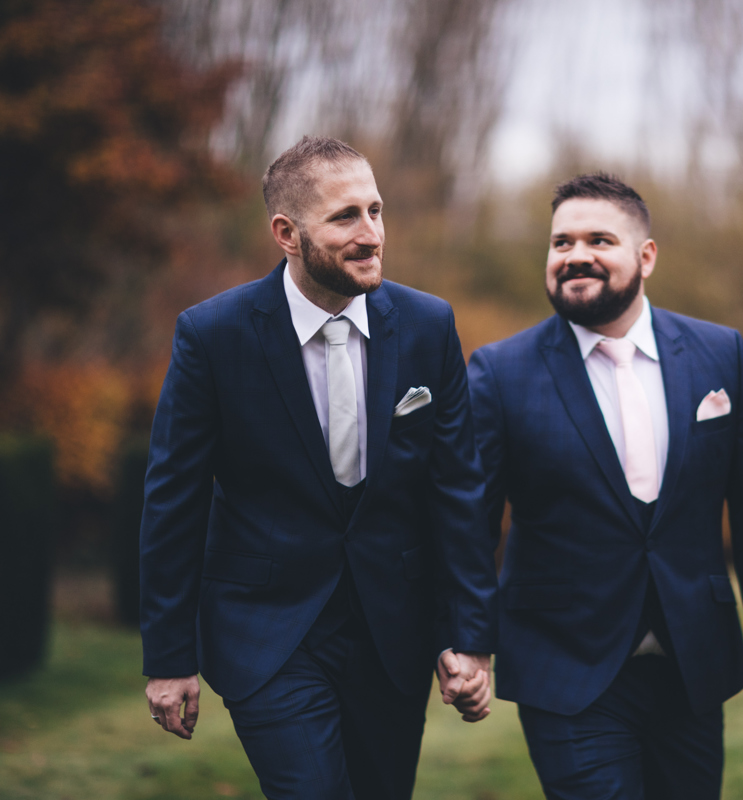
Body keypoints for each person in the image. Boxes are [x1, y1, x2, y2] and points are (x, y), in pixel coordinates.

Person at [139, 136, 496, 799]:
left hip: (393, 632)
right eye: (345, 217)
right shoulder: (212, 336)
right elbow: (174, 499)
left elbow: (457, 491)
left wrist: (468, 635)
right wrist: (168, 657)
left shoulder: (427, 326)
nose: (371, 235)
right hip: (267, 630)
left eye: (376, 211)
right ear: (286, 232)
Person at [468, 172, 743, 799]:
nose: (575, 256)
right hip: (565, 663)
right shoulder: (500, 372)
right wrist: (468, 640)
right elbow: (470, 522)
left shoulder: (719, 355)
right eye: (561, 242)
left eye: (599, 239)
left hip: (692, 663)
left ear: (645, 256)